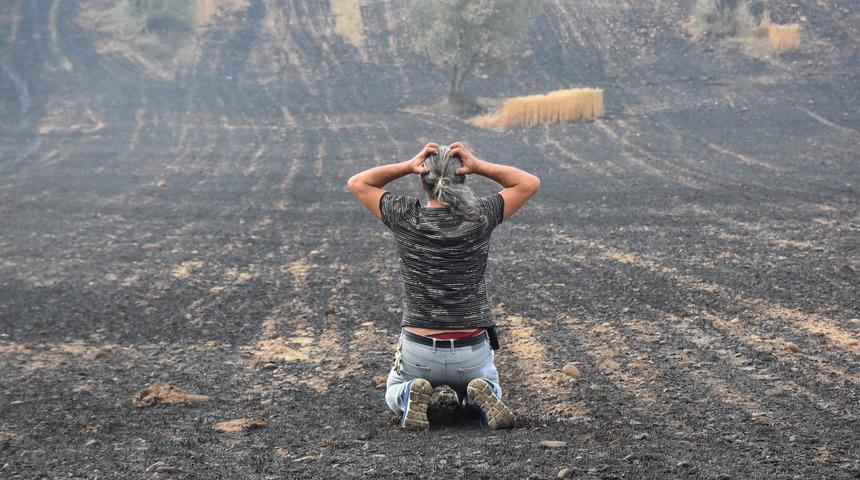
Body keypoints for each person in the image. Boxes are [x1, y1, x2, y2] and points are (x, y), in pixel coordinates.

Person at [347, 141, 540, 430]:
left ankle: (409, 393)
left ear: (424, 181)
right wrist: (478, 165)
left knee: (392, 392)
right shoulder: (480, 216)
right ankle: (478, 394)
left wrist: (407, 165)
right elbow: (528, 183)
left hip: (419, 348)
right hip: (470, 349)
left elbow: (358, 182)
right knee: (489, 383)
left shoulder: (406, 216)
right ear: (463, 179)